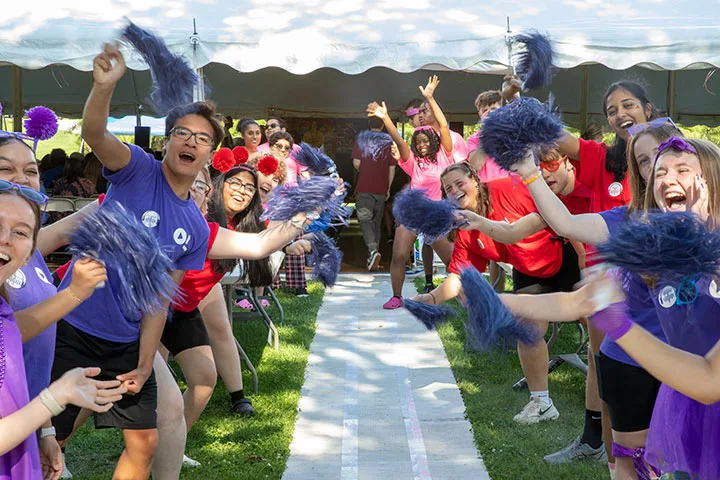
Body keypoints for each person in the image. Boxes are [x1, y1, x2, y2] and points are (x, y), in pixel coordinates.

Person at [51, 42, 217, 480]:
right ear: (168, 141)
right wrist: (103, 87)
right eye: (183, 132)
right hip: (73, 328)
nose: (191, 142)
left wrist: (145, 363)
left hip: (125, 343)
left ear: (208, 156)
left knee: (144, 443)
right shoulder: (137, 168)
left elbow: (160, 300)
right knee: (52, 435)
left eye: (202, 139)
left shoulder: (196, 230)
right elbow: (95, 134)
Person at [505, 122, 680, 478]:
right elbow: (566, 224)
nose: (657, 168)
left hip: (688, 364)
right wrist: (529, 173)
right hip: (628, 362)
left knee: (684, 460)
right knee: (633, 465)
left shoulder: (709, 220)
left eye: (664, 155)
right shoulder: (629, 220)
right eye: (645, 162)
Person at [414, 162, 575, 425]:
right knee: (528, 328)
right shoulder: (464, 227)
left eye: (459, 183)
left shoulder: (509, 189)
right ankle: (541, 402)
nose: (454, 190)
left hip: (566, 252)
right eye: (448, 189)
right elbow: (459, 277)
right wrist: (431, 298)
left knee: (596, 325)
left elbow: (557, 207)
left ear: (475, 180)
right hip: (529, 270)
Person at [0, 184, 125, 477]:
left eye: (20, 232)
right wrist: (55, 397)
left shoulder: (4, 310)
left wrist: (44, 431)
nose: (5, 239)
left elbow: (15, 363)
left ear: (31, 250)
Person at [368, 76, 456, 309]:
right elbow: (398, 139)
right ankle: (397, 296)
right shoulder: (412, 161)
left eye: (425, 140)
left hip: (434, 214)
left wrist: (429, 98)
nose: (421, 144)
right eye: (418, 142)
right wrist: (386, 118)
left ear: (434, 141)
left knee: (451, 260)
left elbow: (444, 126)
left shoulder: (444, 156)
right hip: (411, 212)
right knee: (398, 255)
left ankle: (466, 293)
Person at [352, 117, 397, 271]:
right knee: (376, 223)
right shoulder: (389, 142)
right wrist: (388, 188)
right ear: (383, 124)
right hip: (381, 188)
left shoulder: (362, 140)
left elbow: (356, 163)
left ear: (369, 124)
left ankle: (372, 251)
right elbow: (392, 168)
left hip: (364, 186)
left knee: (364, 220)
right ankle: (373, 256)